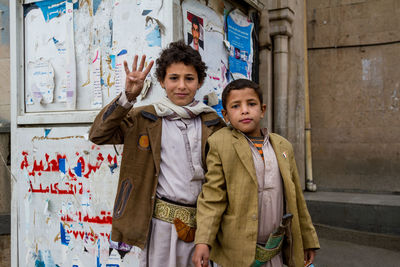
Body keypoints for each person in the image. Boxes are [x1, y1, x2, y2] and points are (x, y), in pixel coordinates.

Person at [89, 41, 225, 267]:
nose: (181, 85)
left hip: (203, 229)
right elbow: (98, 134)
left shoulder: (212, 123)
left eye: (189, 79)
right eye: (173, 78)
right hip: (160, 227)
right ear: (162, 81)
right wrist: (127, 97)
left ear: (199, 82)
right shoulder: (144, 118)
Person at [192, 79, 320, 267]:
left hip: (274, 251)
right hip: (237, 253)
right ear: (226, 116)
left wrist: (308, 240)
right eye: (236, 106)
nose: (245, 110)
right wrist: (203, 241)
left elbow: (296, 199)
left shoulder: (283, 146)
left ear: (262, 109)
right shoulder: (220, 143)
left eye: (251, 104)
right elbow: (213, 197)